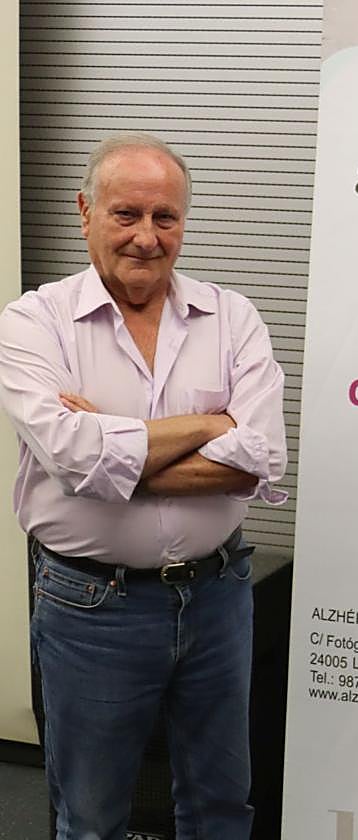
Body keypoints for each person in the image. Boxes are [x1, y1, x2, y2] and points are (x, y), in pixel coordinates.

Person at [0, 133, 288, 839]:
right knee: (93, 817)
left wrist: (116, 447)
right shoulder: (33, 325)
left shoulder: (233, 318)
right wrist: (210, 422)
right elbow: (72, 458)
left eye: (166, 218)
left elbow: (258, 460)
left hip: (220, 596)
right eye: (126, 214)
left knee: (222, 806)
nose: (146, 237)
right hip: (91, 605)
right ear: (85, 211)